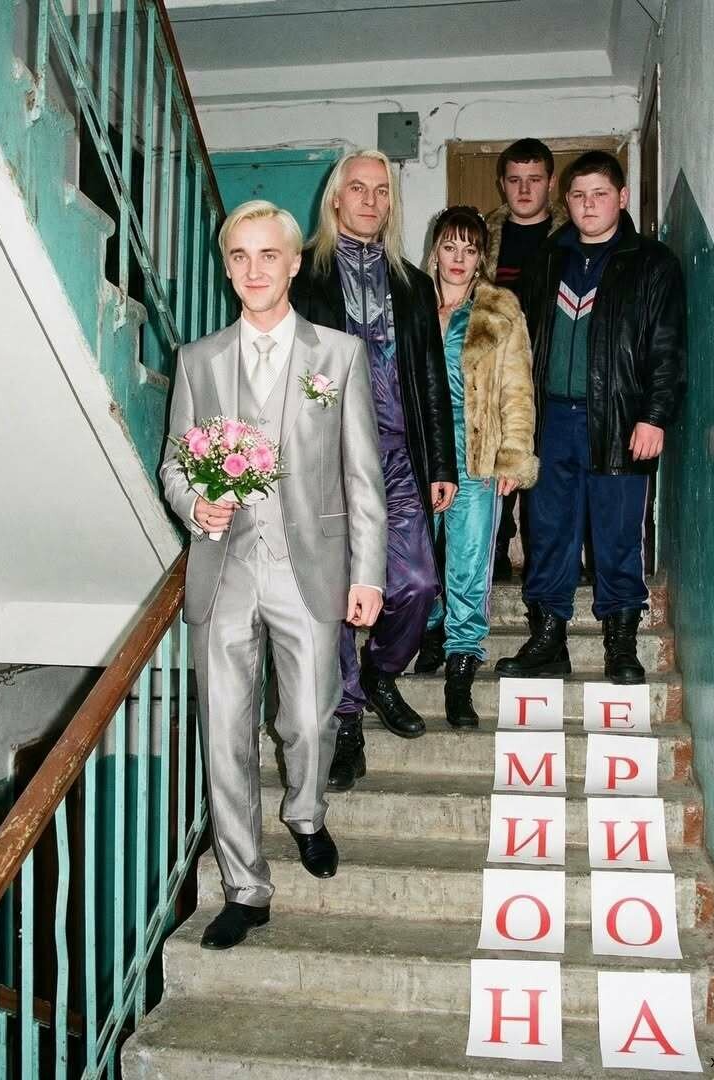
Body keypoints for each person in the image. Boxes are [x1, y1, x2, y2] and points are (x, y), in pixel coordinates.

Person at [160, 200, 387, 949]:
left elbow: (362, 475)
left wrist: (369, 573)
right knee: (223, 733)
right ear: (227, 268)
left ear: (293, 263)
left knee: (308, 719)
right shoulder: (198, 361)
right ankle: (245, 887)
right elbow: (174, 465)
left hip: (307, 567)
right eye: (239, 256)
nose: (253, 270)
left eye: (268, 255)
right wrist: (196, 504)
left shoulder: (339, 356)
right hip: (224, 569)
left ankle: (306, 812)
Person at [290, 149, 458, 791]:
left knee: (416, 583)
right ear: (335, 198)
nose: (370, 200)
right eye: (358, 188)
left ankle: (383, 673)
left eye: (381, 190)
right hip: (328, 461)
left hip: (396, 455)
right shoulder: (304, 277)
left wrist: (441, 461)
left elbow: (432, 379)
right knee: (334, 594)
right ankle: (346, 719)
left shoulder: (413, 284)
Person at [495, 151, 686, 685]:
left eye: (600, 194)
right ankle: (548, 639)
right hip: (551, 420)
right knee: (547, 530)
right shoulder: (548, 260)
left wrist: (654, 415)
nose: (589, 205)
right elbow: (520, 345)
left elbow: (668, 349)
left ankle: (621, 643)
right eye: (579, 195)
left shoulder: (653, 264)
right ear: (567, 200)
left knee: (617, 534)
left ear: (622, 198)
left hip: (620, 420)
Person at [417, 206, 538, 724]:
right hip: (417, 455)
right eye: (450, 246)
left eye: (470, 249)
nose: (459, 258)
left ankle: (461, 668)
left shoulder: (499, 309)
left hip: (477, 454)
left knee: (467, 562)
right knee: (415, 559)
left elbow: (517, 389)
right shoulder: (410, 301)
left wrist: (514, 455)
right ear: (435, 249)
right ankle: (429, 628)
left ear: (482, 257)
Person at [484, 139, 567, 582]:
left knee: (550, 476)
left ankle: (547, 565)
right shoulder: (482, 238)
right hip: (495, 376)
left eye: (534, 180)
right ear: (502, 183)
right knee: (493, 470)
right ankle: (495, 554)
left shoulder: (571, 239)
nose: (524, 189)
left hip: (554, 373)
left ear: (550, 183)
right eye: (515, 180)